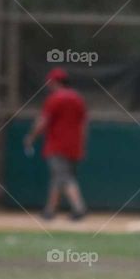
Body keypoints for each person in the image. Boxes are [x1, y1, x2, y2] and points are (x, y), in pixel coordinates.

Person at [24, 67, 88, 220]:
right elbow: (84, 124)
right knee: (59, 177)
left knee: (64, 177)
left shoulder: (55, 98)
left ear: (55, 82)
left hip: (57, 145)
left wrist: (31, 137)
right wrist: (82, 143)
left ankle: (79, 207)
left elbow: (43, 121)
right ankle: (50, 210)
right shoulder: (78, 98)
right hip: (75, 145)